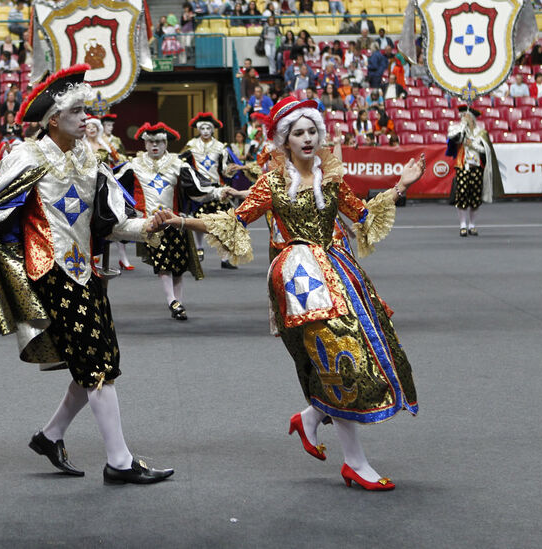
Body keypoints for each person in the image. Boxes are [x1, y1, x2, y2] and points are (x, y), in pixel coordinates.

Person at [0, 64, 174, 485]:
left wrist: (146, 226)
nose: (87, 118)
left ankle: (50, 436)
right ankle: (120, 461)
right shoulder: (26, 157)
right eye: (77, 111)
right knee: (95, 365)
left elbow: (110, 223)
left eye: (87, 110)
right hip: (50, 271)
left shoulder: (91, 158)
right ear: (53, 118)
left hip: (87, 274)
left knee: (100, 361)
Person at [174, 95, 425, 491]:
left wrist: (400, 187)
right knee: (339, 359)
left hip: (342, 276)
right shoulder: (272, 183)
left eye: (312, 131)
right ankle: (355, 463)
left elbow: (363, 215)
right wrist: (179, 220)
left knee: (363, 354)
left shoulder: (331, 179)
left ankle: (309, 419)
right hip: (301, 284)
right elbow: (232, 221)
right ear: (284, 140)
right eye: (298, 133)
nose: (307, 139)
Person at [115, 122, 229, 320]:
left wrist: (219, 192)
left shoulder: (178, 164)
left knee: (179, 266)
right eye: (150, 142)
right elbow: (113, 186)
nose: (155, 146)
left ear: (165, 142)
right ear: (145, 144)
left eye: (159, 141)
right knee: (163, 264)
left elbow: (197, 188)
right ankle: (172, 301)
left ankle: (179, 302)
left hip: (176, 222)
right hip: (150, 225)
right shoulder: (133, 165)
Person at [182, 113, 242, 269]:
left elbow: (224, 169)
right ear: (198, 129)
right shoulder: (191, 145)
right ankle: (199, 250)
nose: (206, 131)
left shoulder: (220, 147)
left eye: (208, 127)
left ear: (213, 129)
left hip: (216, 188)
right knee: (197, 221)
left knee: (222, 222)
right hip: (199, 189)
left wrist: (230, 170)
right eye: (202, 128)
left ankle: (224, 257)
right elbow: (181, 163)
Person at [446, 107, 502, 237]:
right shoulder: (456, 128)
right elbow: (453, 138)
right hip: (462, 166)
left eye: (467, 116)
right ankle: (462, 225)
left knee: (475, 197)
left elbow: (485, 150)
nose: (464, 118)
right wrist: (462, 126)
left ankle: (472, 224)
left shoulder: (480, 132)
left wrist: (472, 145)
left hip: (476, 166)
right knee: (462, 195)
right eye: (463, 116)